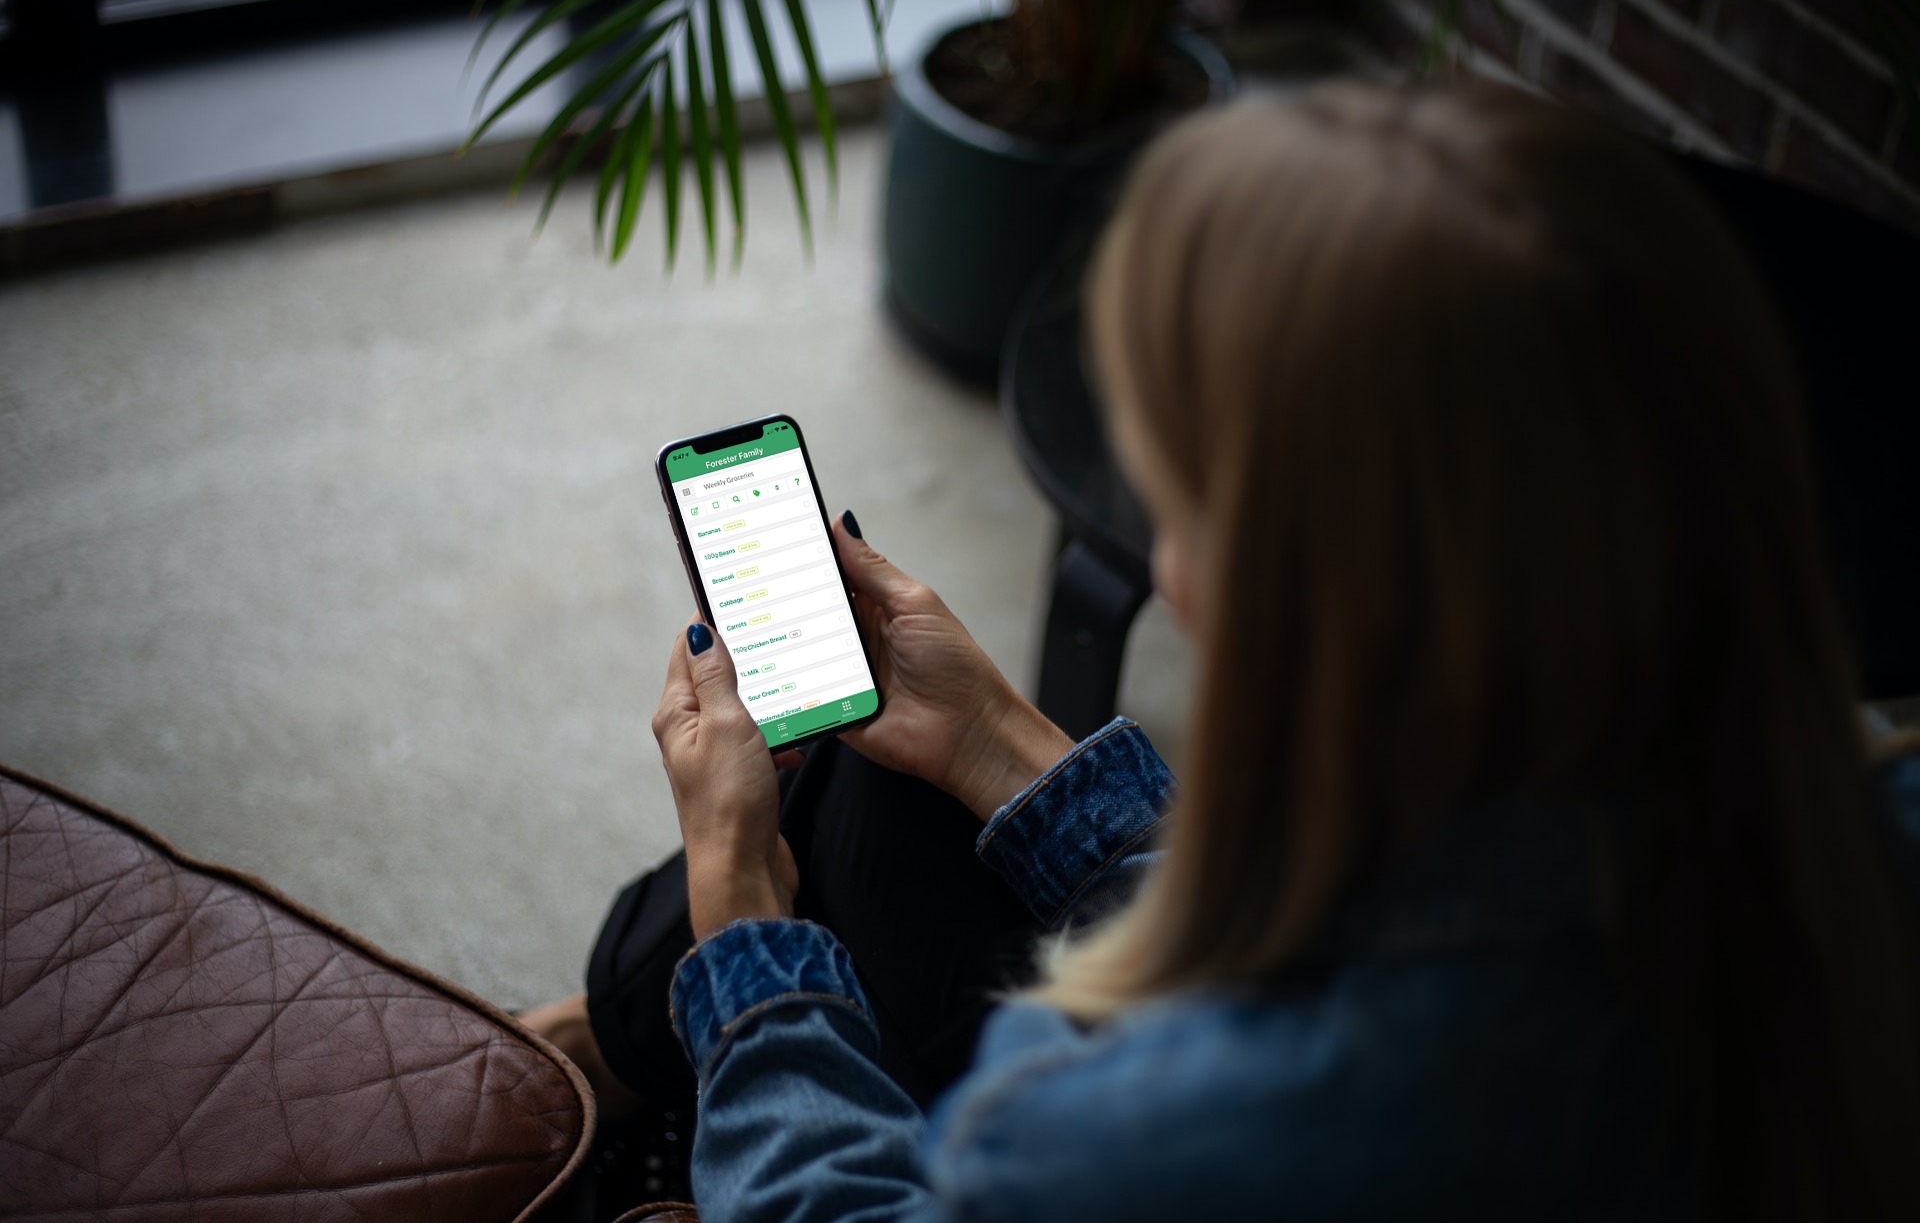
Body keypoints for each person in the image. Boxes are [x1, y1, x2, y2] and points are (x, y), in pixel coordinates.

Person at [523, 81, 1920, 1220]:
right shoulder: (1844, 842)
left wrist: (752, 955)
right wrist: (1007, 747)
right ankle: (611, 1036)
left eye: (1173, 493)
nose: (1169, 568)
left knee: (780, 846)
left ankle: (604, 1053)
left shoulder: (1137, 1135)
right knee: (885, 780)